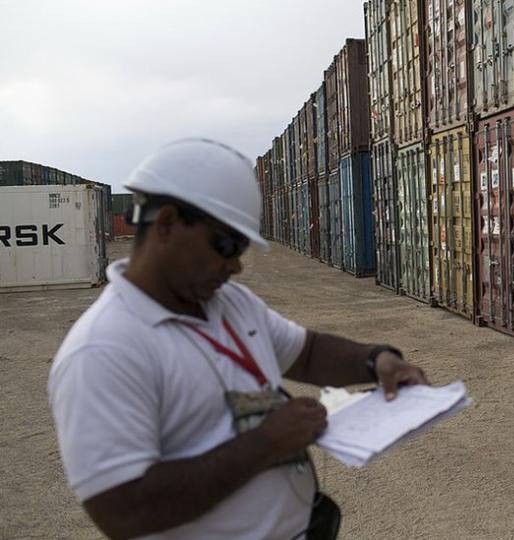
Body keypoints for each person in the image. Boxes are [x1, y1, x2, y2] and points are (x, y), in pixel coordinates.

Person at [48, 138, 428, 539]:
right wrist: (264, 444)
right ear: (166, 224)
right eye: (227, 244)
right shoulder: (104, 350)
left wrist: (378, 360)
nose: (236, 266)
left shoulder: (229, 303)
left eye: (242, 248)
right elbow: (123, 511)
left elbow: (308, 352)